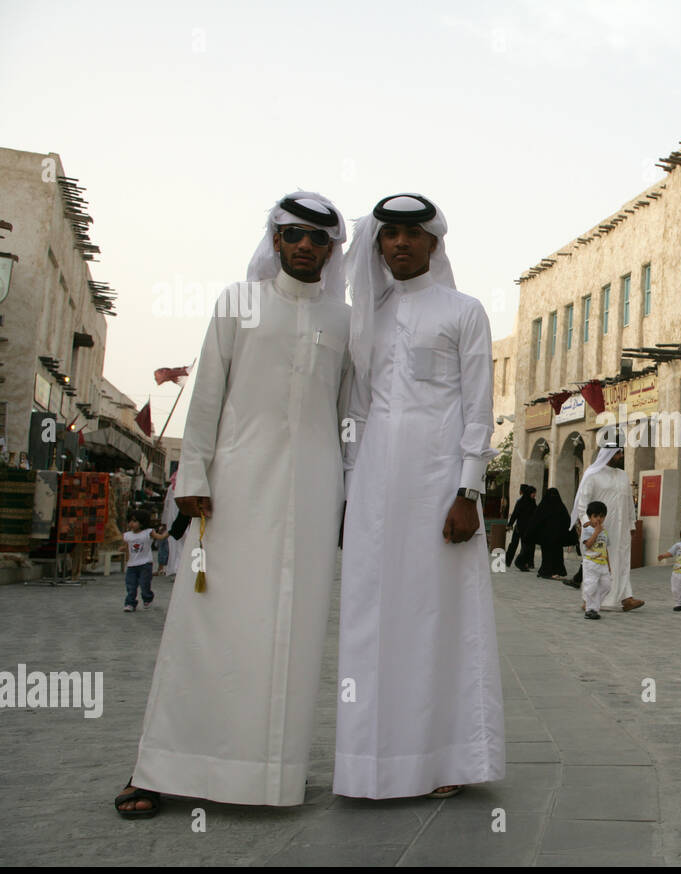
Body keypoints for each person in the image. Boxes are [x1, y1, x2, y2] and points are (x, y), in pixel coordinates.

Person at [116, 191, 351, 818]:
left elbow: (349, 414)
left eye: (318, 237)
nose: (305, 245)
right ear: (275, 240)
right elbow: (208, 396)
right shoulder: (238, 303)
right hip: (234, 487)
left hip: (314, 490)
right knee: (205, 621)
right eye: (293, 234)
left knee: (293, 633)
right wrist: (192, 474)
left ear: (333, 249)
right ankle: (159, 767)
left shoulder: (345, 319)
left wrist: (350, 495)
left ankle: (274, 775)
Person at [335, 192, 503, 800]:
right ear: (377, 244)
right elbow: (355, 411)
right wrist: (350, 493)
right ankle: (369, 763)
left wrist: (469, 491)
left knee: (438, 618)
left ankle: (441, 761)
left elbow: (478, 409)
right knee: (370, 619)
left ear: (434, 242)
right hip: (375, 486)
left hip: (440, 488)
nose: (400, 243)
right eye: (389, 234)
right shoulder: (366, 318)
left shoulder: (464, 310)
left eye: (413, 232)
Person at [570, 444, 644, 611]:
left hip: (622, 528)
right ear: (608, 454)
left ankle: (627, 598)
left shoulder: (623, 475)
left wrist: (632, 524)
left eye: (621, 452)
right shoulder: (593, 475)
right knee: (597, 564)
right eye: (618, 453)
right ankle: (589, 600)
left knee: (623, 561)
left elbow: (628, 502)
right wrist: (586, 523)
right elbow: (583, 503)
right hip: (600, 529)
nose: (621, 456)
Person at [120, 511, 168, 612]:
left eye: (135, 521)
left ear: (142, 522)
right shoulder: (127, 535)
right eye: (130, 521)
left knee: (144, 583)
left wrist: (169, 533)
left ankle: (147, 598)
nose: (131, 524)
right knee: (131, 585)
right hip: (132, 565)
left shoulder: (148, 532)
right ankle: (130, 603)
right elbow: (126, 547)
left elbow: (160, 537)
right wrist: (123, 549)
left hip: (145, 564)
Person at [530, 487, 573, 579]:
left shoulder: (543, 506)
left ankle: (546, 571)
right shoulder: (560, 506)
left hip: (548, 537)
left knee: (548, 555)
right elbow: (567, 521)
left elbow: (535, 520)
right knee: (554, 554)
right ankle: (550, 571)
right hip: (555, 537)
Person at [580, 501, 611, 620]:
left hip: (602, 563)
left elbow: (605, 548)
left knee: (606, 586)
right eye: (595, 516)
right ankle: (590, 609)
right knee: (591, 586)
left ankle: (594, 606)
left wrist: (609, 565)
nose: (599, 519)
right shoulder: (587, 529)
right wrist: (596, 532)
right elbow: (588, 544)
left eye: (602, 516)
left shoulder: (605, 531)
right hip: (591, 563)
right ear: (590, 517)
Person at [507, 484, 537, 570]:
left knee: (527, 547)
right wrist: (510, 525)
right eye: (533, 493)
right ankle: (508, 561)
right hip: (519, 528)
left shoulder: (533, 502)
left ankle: (526, 563)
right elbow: (515, 514)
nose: (534, 495)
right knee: (513, 545)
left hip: (528, 529)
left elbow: (536, 514)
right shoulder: (520, 502)